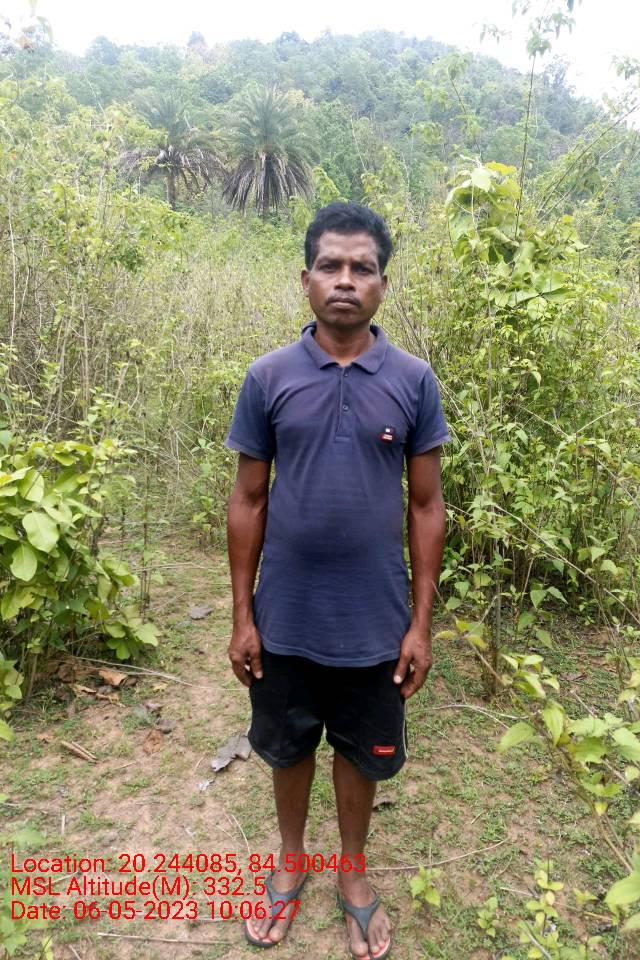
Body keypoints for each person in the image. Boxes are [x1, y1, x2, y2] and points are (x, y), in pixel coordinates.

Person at [225, 201, 450, 959]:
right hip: (285, 616)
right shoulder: (268, 377)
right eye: (331, 266)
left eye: (362, 268)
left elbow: (426, 505)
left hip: (374, 621)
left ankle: (352, 870)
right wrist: (242, 616)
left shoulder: (413, 381)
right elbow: (248, 498)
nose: (345, 280)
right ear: (306, 279)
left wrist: (420, 625)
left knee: (360, 751)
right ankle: (291, 862)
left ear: (383, 284)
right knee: (289, 747)